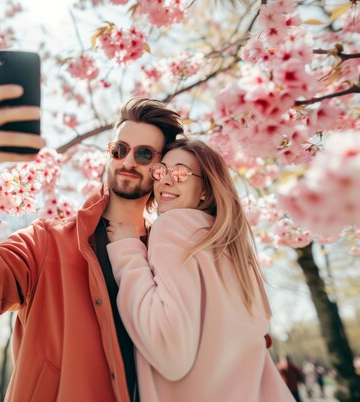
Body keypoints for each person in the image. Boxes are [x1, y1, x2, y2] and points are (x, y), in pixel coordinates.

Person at [0, 84, 184, 402]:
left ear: (162, 168)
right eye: (119, 149)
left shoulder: (171, 256)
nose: (128, 161)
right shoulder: (45, 242)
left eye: (144, 154)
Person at [105, 139, 295, 402]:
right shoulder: (237, 254)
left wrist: (128, 253)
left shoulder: (173, 224)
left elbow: (169, 350)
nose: (166, 181)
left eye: (181, 173)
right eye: (160, 171)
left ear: (205, 190)